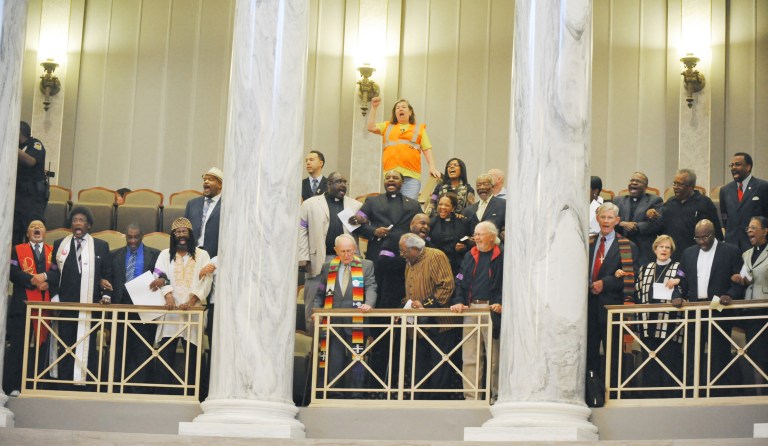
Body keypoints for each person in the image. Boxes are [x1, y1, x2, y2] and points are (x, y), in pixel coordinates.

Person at [47, 207, 113, 388]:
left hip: (89, 305)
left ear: (88, 225)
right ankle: (64, 383)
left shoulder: (101, 246)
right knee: (66, 343)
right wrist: (54, 297)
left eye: (82, 220)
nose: (77, 223)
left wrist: (106, 295)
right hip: (66, 305)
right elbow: (53, 274)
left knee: (87, 345)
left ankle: (87, 384)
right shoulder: (60, 244)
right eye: (75, 220)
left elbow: (107, 275)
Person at [678, 219, 743, 395]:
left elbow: (738, 280)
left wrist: (730, 295)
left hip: (719, 307)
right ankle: (692, 392)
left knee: (719, 353)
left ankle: (718, 392)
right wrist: (677, 295)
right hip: (694, 307)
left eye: (704, 237)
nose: (701, 242)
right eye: (697, 238)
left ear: (713, 234)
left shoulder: (730, 251)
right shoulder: (688, 253)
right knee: (692, 352)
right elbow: (681, 277)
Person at [150, 218, 213, 394]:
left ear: (190, 234)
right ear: (173, 236)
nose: (181, 236)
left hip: (193, 313)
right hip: (170, 312)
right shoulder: (164, 254)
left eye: (184, 232)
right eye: (178, 232)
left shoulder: (202, 255)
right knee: (165, 354)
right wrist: (168, 295)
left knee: (193, 355)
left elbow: (206, 281)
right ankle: (163, 393)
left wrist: (191, 301)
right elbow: (159, 275)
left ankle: (193, 394)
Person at [313, 234, 376, 396]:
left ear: (355, 249)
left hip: (357, 321)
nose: (347, 255)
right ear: (335, 251)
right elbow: (320, 293)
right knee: (334, 361)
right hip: (333, 322)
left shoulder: (366, 265)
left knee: (357, 361)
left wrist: (369, 303)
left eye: (349, 251)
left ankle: (356, 394)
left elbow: (371, 287)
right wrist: (316, 311)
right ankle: (333, 393)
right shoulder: (328, 267)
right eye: (343, 252)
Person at [587, 202, 639, 396]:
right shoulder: (589, 243)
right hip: (589, 308)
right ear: (597, 218)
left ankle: (613, 392)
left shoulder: (627, 245)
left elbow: (630, 276)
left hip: (611, 308)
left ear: (617, 221)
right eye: (603, 217)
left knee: (613, 354)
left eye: (610, 218)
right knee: (590, 353)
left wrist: (605, 283)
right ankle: (592, 392)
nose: (606, 221)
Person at [299, 172, 362, 329]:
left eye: (345, 182)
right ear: (329, 184)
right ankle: (313, 344)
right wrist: (303, 256)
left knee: (344, 301)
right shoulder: (310, 204)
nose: (343, 185)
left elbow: (361, 233)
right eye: (338, 181)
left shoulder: (355, 205)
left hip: (346, 261)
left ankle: (340, 343)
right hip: (319, 259)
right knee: (315, 301)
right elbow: (301, 231)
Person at [450, 221, 503, 402]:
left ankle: (497, 397)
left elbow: (509, 283)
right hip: (471, 309)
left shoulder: (503, 255)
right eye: (475, 234)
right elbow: (460, 281)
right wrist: (458, 302)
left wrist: (501, 303)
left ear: (492, 236)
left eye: (480, 234)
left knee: (494, 358)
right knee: (470, 357)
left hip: (491, 310)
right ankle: (471, 398)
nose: (476, 238)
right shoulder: (469, 256)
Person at [399, 233, 455, 398]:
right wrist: (403, 307)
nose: (401, 255)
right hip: (417, 325)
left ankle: (437, 402)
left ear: (414, 249)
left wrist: (426, 304)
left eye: (404, 251)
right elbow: (409, 291)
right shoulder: (409, 262)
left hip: (439, 323)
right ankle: (419, 400)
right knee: (419, 365)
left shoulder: (436, 256)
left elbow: (446, 286)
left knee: (439, 365)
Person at [106, 223, 160, 391]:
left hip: (145, 309)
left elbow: (163, 276)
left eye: (137, 237)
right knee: (120, 349)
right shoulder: (114, 255)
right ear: (125, 236)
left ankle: (139, 388)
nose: (133, 240)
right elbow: (107, 277)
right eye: (130, 237)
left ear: (142, 235)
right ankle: (118, 387)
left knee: (142, 350)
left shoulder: (155, 255)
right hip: (121, 308)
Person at [4, 221, 54, 395]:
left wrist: (47, 282)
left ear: (45, 232)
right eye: (32, 226)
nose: (36, 228)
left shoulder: (52, 252)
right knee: (18, 345)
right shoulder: (17, 250)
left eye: (40, 226)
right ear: (27, 233)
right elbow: (11, 271)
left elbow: (56, 271)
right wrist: (31, 280)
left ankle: (36, 385)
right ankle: (13, 386)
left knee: (42, 347)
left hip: (45, 306)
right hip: (22, 305)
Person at [634, 235, 683, 398]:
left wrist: (677, 280)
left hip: (670, 322)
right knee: (650, 359)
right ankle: (651, 395)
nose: (664, 250)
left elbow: (686, 281)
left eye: (667, 247)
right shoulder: (644, 268)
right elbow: (637, 292)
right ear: (655, 249)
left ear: (671, 251)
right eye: (661, 247)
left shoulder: (678, 267)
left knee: (668, 360)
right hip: (648, 322)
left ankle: (669, 395)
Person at [366, 96, 441, 199]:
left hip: (411, 178)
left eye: (403, 107)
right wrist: (374, 108)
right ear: (395, 113)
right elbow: (371, 127)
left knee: (408, 207)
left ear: (410, 112)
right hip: (391, 176)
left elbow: (427, 149)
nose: (400, 109)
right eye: (397, 108)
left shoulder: (419, 129)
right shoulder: (388, 126)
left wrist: (432, 167)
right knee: (392, 208)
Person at [184, 168, 221, 345]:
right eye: (205, 179)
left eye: (211, 179)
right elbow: (183, 231)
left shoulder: (228, 205)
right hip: (193, 258)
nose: (206, 182)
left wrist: (215, 261)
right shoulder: (193, 204)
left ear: (220, 185)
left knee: (213, 306)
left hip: (216, 260)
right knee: (189, 299)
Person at [350, 170, 422, 260]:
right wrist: (374, 231)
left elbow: (422, 225)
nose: (391, 180)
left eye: (395, 178)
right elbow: (356, 223)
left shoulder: (414, 205)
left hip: (405, 255)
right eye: (387, 178)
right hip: (377, 253)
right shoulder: (372, 201)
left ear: (402, 182)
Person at [732, 216, 768, 392]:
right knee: (755, 354)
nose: (750, 231)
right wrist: (740, 280)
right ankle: (758, 392)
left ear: (765, 231)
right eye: (748, 228)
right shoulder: (746, 254)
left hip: (765, 308)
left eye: (754, 227)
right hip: (750, 310)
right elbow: (747, 277)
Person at [658, 169, 722, 262]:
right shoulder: (670, 203)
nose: (676, 187)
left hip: (695, 256)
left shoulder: (704, 203)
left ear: (691, 186)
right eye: (674, 183)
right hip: (671, 256)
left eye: (680, 184)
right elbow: (660, 229)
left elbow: (716, 234)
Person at [719, 153, 768, 253]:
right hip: (732, 244)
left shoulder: (763, 187)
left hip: (755, 243)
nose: (733, 168)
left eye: (737, 164)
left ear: (748, 167)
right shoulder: (725, 190)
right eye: (731, 165)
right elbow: (725, 218)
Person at [614, 172, 664, 265]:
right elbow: (610, 220)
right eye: (632, 180)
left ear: (645, 187)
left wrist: (636, 226)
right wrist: (622, 223)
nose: (634, 183)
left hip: (643, 249)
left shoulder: (655, 201)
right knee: (625, 276)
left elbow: (658, 225)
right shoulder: (618, 201)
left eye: (638, 181)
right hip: (622, 248)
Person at [13, 121, 48, 245]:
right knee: (14, 233)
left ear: (19, 133)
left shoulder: (35, 144)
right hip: (17, 196)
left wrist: (12, 147)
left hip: (32, 198)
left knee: (33, 231)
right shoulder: (18, 146)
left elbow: (31, 161)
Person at [429, 193, 470, 275]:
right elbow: (428, 242)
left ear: (453, 208)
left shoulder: (462, 221)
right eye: (440, 204)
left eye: (447, 205)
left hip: (457, 266)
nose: (442, 207)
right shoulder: (431, 222)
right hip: (436, 265)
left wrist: (463, 248)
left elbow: (469, 241)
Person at [462, 174, 506, 239]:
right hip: (474, 248)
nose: (482, 187)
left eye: (485, 184)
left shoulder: (503, 204)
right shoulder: (468, 210)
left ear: (492, 186)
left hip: (496, 247)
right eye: (478, 185)